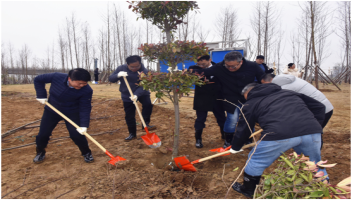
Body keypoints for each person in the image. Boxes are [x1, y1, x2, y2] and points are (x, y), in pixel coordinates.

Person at [229, 83, 328, 198]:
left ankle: (248, 190)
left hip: (278, 134)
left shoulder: (251, 102)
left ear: (248, 93)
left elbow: (244, 127)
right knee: (314, 162)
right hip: (312, 132)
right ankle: (324, 190)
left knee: (256, 160)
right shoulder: (289, 93)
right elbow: (320, 107)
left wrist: (235, 147)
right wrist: (314, 125)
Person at [191, 51, 264, 148]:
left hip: (248, 98)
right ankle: (228, 141)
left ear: (241, 62)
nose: (230, 68)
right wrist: (189, 72)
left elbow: (262, 78)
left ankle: (248, 140)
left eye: (233, 66)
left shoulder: (252, 66)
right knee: (232, 120)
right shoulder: (220, 67)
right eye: (227, 66)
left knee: (248, 120)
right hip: (230, 98)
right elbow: (206, 71)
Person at [33, 68, 94, 164]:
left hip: (72, 112)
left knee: (77, 134)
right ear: (70, 79)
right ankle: (40, 152)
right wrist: (41, 95)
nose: (82, 85)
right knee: (43, 134)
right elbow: (38, 79)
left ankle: (86, 152)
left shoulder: (87, 90)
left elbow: (85, 107)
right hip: (52, 110)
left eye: (84, 83)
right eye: (79, 83)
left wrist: (84, 125)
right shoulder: (56, 77)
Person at [261, 73, 334, 149]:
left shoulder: (283, 87)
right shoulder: (289, 80)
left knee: (312, 132)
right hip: (325, 107)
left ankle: (314, 154)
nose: (265, 87)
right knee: (311, 132)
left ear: (271, 80)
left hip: (319, 110)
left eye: (265, 84)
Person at [108, 55, 156, 141]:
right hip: (127, 94)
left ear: (140, 63)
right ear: (127, 64)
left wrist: (137, 94)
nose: (134, 68)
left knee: (148, 105)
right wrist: (118, 75)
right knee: (129, 115)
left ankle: (145, 124)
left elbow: (144, 85)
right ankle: (132, 134)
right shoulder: (121, 68)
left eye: (137, 66)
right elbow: (111, 79)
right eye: (132, 67)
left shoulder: (144, 71)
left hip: (142, 93)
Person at [188, 55, 226, 148]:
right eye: (199, 63)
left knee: (221, 118)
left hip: (217, 98)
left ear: (210, 60)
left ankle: (224, 135)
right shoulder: (193, 68)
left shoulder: (219, 68)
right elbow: (190, 73)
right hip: (202, 98)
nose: (201, 65)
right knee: (200, 119)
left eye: (203, 63)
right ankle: (198, 139)